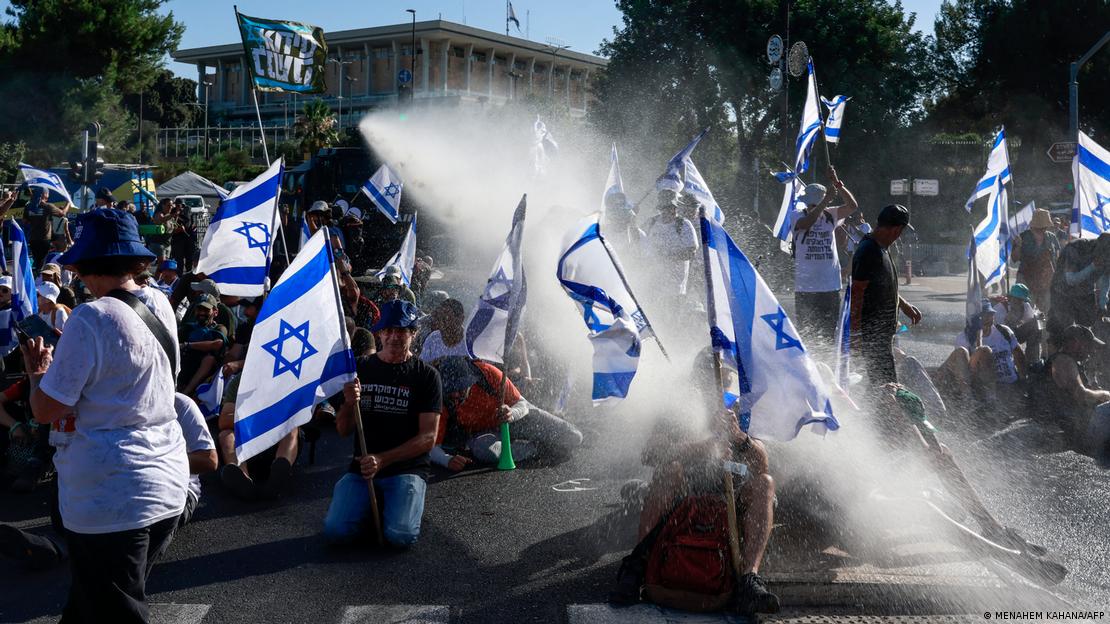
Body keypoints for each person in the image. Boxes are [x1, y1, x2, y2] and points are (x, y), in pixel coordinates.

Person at [21, 208, 189, 622]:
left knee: (115, 613)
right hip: (165, 480)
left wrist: (38, 371)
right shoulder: (160, 304)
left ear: (82, 264)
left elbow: (44, 410)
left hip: (111, 496)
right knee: (88, 608)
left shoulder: (90, 316)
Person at [610, 351, 778, 615]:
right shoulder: (680, 408)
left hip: (731, 493)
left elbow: (762, 465)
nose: (718, 385)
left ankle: (749, 579)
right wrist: (704, 447)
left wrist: (739, 438)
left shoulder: (740, 408)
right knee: (670, 471)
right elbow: (651, 453)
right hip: (687, 491)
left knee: (765, 484)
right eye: (712, 379)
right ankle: (636, 566)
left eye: (724, 379)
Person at [324, 300, 442, 548]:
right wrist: (347, 403)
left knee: (400, 536)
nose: (393, 337)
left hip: (406, 469)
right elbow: (343, 430)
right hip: (362, 468)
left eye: (401, 330)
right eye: (388, 330)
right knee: (335, 532)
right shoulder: (360, 369)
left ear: (413, 334)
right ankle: (370, 506)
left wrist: (383, 460)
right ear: (379, 333)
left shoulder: (426, 376)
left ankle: (388, 506)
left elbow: (428, 438)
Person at [431, 356, 582, 469]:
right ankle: (536, 448)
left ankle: (542, 439)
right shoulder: (440, 396)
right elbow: (430, 445)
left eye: (461, 388)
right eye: (451, 390)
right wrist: (447, 460)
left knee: (573, 437)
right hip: (484, 434)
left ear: (471, 381)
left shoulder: (487, 373)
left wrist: (511, 413)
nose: (456, 394)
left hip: (516, 420)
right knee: (483, 451)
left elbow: (521, 403)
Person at [850, 204, 921, 390]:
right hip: (873, 335)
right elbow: (857, 292)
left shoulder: (882, 247)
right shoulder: (869, 251)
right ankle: (881, 419)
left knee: (883, 385)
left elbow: (882, 284)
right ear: (897, 229)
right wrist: (856, 333)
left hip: (882, 335)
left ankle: (880, 416)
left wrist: (903, 305)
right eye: (901, 231)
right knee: (887, 387)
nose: (900, 236)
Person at [791, 167, 859, 344]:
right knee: (806, 332)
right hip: (806, 287)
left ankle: (826, 365)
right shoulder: (796, 215)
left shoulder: (831, 214)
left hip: (830, 284)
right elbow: (806, 223)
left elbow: (852, 206)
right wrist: (825, 202)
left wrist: (838, 184)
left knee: (829, 332)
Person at [216, 373, 300, 500]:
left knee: (292, 428)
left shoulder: (287, 378)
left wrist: (249, 419)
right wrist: (266, 418)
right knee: (226, 435)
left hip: (275, 443)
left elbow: (292, 415)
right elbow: (224, 420)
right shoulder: (239, 381)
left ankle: (281, 470)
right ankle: (242, 479)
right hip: (246, 446)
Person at [937, 302, 1025, 413]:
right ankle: (976, 400)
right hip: (982, 383)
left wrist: (1023, 381)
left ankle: (992, 402)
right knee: (983, 351)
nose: (987, 319)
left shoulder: (1004, 331)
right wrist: (978, 342)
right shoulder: (965, 337)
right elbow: (964, 366)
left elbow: (1018, 354)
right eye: (983, 316)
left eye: (990, 315)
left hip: (1009, 384)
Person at [1045, 325, 1110, 452]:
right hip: (1074, 426)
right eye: (1088, 345)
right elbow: (1081, 395)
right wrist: (1104, 394)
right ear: (1075, 343)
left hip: (1074, 422)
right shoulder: (1064, 361)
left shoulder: (1065, 360)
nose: (1091, 350)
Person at [644, 189, 699, 306]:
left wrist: (667, 257)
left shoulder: (684, 225)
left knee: (671, 318)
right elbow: (638, 241)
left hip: (675, 288)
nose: (670, 210)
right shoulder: (651, 223)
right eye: (666, 207)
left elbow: (691, 252)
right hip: (652, 284)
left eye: (672, 207)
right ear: (660, 208)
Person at [177, 296, 228, 396]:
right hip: (185, 363)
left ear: (215, 312)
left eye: (206, 310)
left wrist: (188, 345)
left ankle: (186, 392)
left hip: (205, 371)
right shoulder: (188, 327)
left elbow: (217, 344)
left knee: (209, 359)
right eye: (199, 309)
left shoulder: (219, 328)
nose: (201, 313)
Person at [1013, 209, 1060, 312]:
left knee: (1048, 310)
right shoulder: (1023, 237)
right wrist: (1018, 246)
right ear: (1033, 226)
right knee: (1025, 309)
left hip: (1046, 280)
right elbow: (1015, 258)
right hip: (1026, 278)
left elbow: (1056, 258)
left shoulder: (1051, 238)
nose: (1042, 230)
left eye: (1044, 227)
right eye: (1039, 228)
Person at [993, 283, 1045, 362]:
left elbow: (1030, 321)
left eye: (1021, 300)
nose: (1019, 302)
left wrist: (1037, 317)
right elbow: (999, 332)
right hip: (1001, 339)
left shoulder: (1025, 306)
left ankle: (1032, 361)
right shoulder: (1000, 309)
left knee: (1035, 325)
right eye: (1017, 299)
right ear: (1010, 298)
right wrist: (1008, 320)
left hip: (1016, 334)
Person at [603, 192, 645, 259]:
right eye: (614, 209)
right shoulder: (603, 234)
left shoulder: (637, 235)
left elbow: (646, 260)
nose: (618, 219)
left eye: (620, 208)